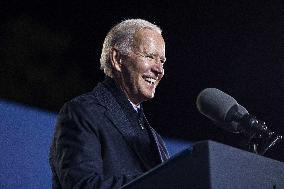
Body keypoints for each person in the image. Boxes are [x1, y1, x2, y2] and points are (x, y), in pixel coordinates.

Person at [49, 18, 169, 189]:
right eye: (149, 56)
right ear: (118, 59)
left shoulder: (156, 140)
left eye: (162, 61)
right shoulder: (82, 113)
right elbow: (83, 185)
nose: (159, 70)